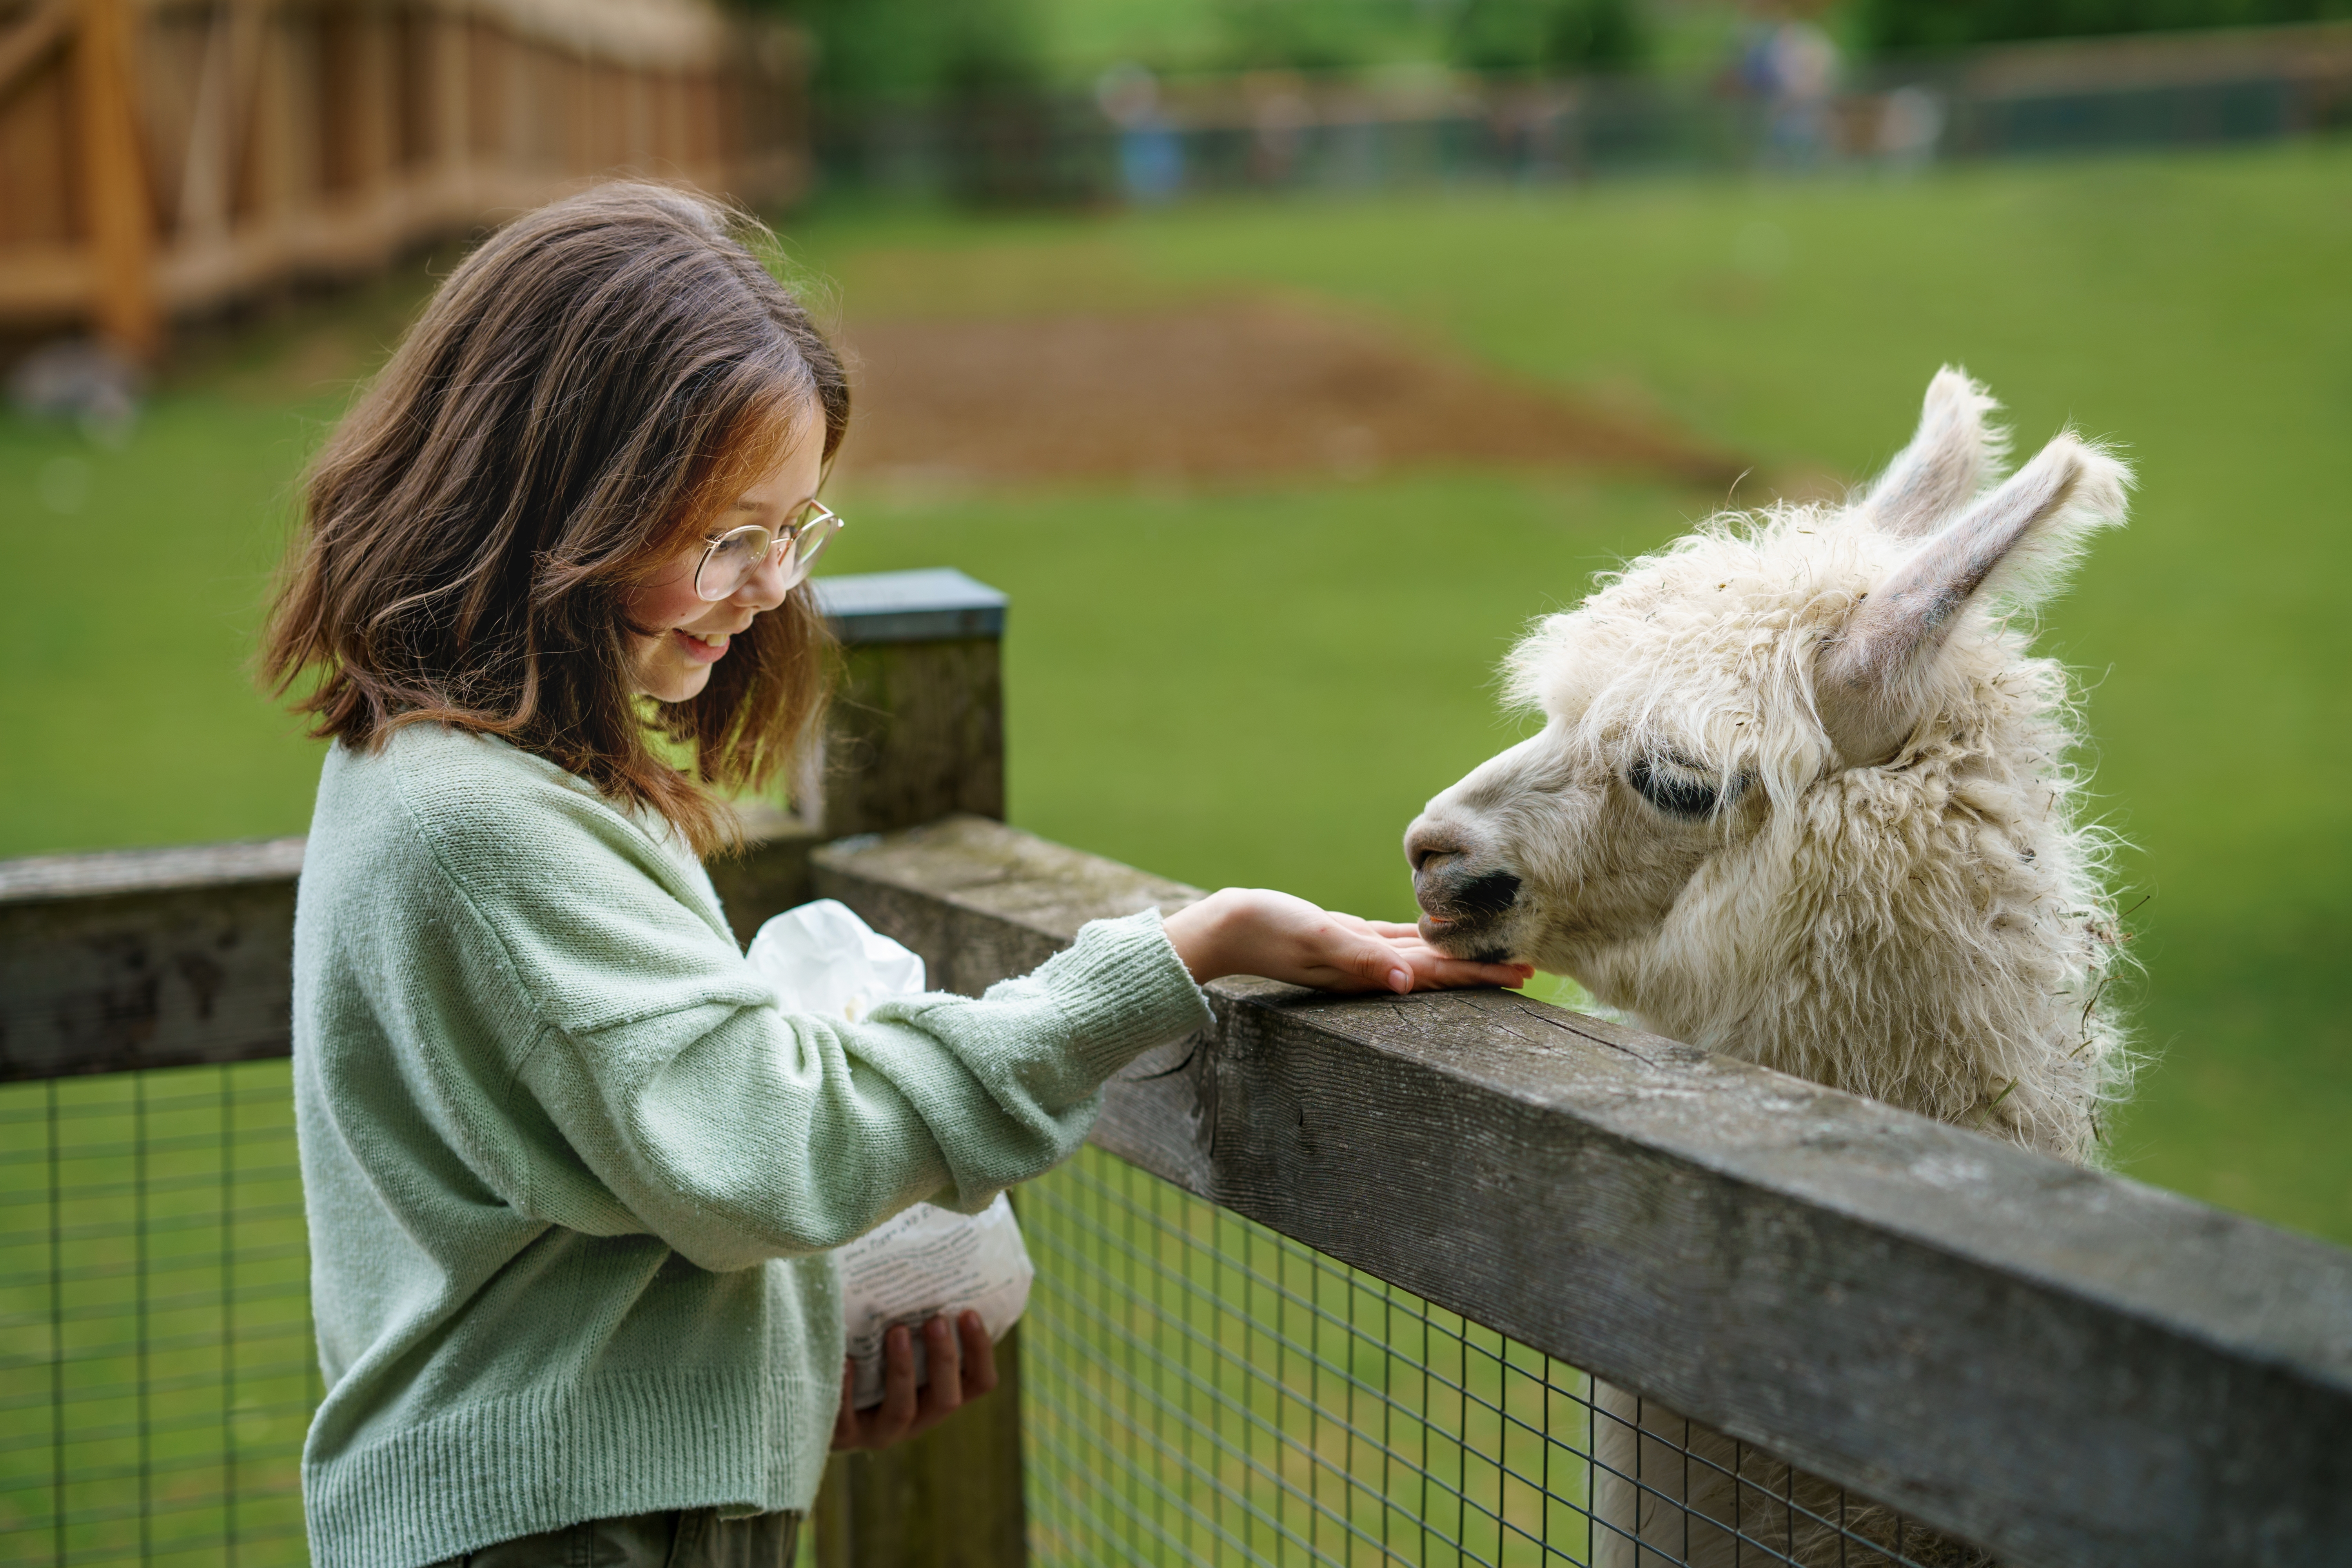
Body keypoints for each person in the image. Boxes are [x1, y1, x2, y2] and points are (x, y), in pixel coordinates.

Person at [261, 182, 1530, 1568]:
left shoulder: (460, 777)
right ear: (555, 498)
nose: (768, 587)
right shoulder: (479, 823)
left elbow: (601, 1191)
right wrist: (1176, 954)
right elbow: (772, 1153)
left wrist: (779, 1373)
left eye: (794, 531)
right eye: (726, 535)